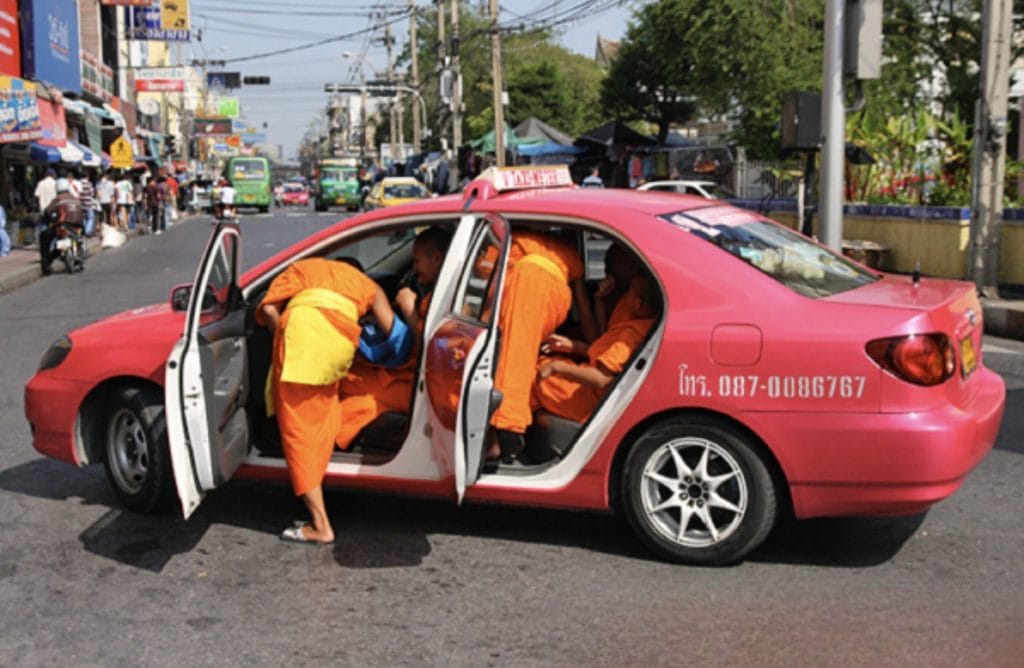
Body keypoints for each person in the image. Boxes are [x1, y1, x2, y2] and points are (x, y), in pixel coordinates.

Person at [257, 257, 397, 545]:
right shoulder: (365, 283)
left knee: (300, 432)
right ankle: (326, 460)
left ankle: (320, 526)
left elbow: (270, 309)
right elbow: (395, 334)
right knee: (323, 406)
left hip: (303, 342)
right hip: (340, 346)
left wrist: (285, 336)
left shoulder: (305, 268)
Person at [334, 227, 452, 450]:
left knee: (347, 386)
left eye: (417, 261)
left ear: (437, 259)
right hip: (410, 375)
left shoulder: (448, 296)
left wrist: (409, 311)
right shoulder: (432, 290)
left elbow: (431, 354)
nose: (414, 268)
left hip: (425, 382)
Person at [488, 230, 595, 463]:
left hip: (528, 285)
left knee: (515, 353)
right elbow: (584, 312)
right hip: (558, 298)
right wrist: (590, 344)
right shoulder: (569, 253)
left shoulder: (501, 237)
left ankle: (507, 427)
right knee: (523, 356)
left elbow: (484, 288)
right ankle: (510, 424)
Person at [533, 274, 658, 423]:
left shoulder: (631, 335)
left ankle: (511, 433)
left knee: (529, 377)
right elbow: (604, 354)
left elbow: (601, 378)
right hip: (591, 391)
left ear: (638, 304)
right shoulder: (645, 325)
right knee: (542, 363)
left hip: (589, 401)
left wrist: (556, 367)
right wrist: (572, 346)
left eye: (629, 292)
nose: (624, 297)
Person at [38, 178, 84, 275]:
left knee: (44, 237)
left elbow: (48, 211)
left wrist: (49, 219)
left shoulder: (58, 198)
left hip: (64, 225)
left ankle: (45, 264)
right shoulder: (74, 198)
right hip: (78, 226)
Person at [76, 170, 96, 237]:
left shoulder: (78, 183)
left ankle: (84, 229)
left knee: (83, 218)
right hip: (88, 204)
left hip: (80, 204)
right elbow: (92, 194)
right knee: (90, 218)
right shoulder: (89, 184)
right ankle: (87, 231)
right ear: (87, 177)